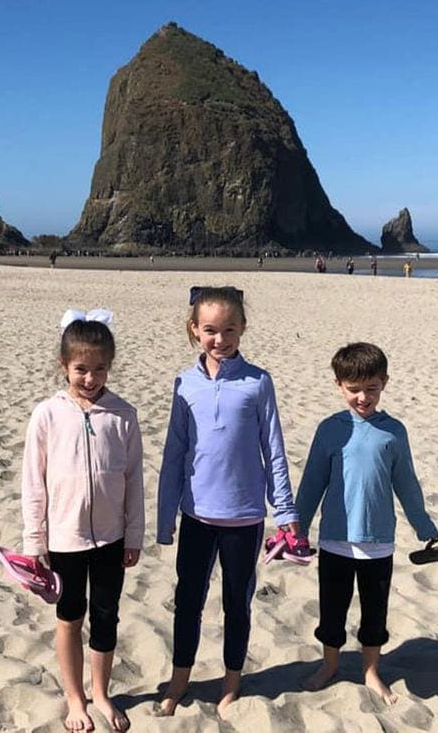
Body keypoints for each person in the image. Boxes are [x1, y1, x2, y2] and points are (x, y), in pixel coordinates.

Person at [156, 286, 299, 718]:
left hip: (245, 516)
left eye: (229, 330)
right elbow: (174, 452)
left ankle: (232, 680)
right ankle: (180, 678)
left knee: (238, 600)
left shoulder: (258, 382)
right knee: (189, 600)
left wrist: (285, 512)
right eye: (211, 331)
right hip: (197, 513)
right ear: (194, 331)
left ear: (242, 329)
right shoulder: (185, 383)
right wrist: (166, 517)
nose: (220, 339)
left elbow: (272, 448)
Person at [295, 342, 438, 705]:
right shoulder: (330, 429)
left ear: (385, 382)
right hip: (336, 539)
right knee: (332, 610)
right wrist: (297, 526)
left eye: (372, 388)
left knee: (374, 613)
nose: (363, 397)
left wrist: (427, 531)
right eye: (354, 390)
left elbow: (407, 485)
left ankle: (371, 671)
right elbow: (312, 482)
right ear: (339, 385)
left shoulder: (393, 431)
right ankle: (329, 665)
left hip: (379, 541)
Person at [20, 310, 144, 732]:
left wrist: (134, 534)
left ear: (110, 367)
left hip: (110, 539)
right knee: (70, 618)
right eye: (81, 369)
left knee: (106, 617)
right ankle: (75, 699)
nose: (90, 378)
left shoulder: (123, 415)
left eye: (99, 369)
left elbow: (134, 480)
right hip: (64, 539)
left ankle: (102, 693)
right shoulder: (47, 415)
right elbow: (33, 484)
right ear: (64, 366)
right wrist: (35, 543)